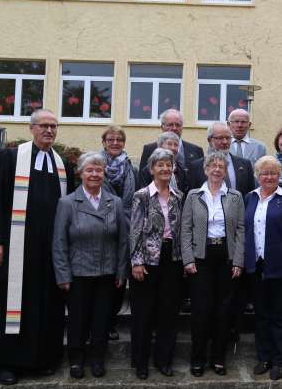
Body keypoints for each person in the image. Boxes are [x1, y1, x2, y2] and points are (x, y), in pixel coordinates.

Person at [0, 109, 74, 385]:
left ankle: (42, 358)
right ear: (31, 128)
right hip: (13, 249)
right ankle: (6, 362)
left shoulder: (63, 166)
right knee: (9, 306)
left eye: (53, 126)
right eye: (44, 126)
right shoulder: (11, 158)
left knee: (45, 305)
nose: (49, 130)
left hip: (47, 254)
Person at [52, 152, 128, 379]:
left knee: (102, 319)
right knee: (77, 319)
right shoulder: (67, 203)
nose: (95, 174)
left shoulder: (115, 202)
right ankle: (76, 359)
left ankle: (97, 358)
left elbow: (123, 240)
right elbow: (59, 241)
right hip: (78, 273)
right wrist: (63, 274)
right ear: (81, 173)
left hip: (107, 273)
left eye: (99, 170)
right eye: (90, 170)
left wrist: (121, 270)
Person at [181, 152, 245, 377]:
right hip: (201, 257)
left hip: (225, 256)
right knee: (201, 309)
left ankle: (218, 358)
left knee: (223, 310)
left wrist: (238, 260)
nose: (217, 169)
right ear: (205, 169)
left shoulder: (235, 196)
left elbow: (240, 230)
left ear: (225, 170)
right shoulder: (193, 195)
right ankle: (198, 358)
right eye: (213, 166)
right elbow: (185, 229)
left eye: (221, 166)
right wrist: (187, 259)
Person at [243, 156, 282, 381]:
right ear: (258, 176)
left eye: (273, 173)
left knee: (281, 316)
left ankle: (280, 360)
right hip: (256, 267)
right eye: (265, 173)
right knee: (261, 315)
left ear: (280, 176)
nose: (269, 177)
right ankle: (264, 357)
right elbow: (244, 231)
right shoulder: (249, 198)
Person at [129, 148, 184, 380]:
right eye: (160, 165)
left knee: (168, 312)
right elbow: (134, 231)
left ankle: (164, 360)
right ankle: (140, 362)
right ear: (151, 169)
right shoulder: (141, 195)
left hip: (172, 259)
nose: (165, 169)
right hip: (147, 260)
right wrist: (136, 261)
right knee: (143, 313)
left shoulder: (178, 195)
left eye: (168, 165)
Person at [100, 125, 136, 341]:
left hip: (127, 226)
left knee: (120, 277)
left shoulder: (131, 167)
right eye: (111, 140)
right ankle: (104, 323)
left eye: (119, 140)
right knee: (105, 277)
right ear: (104, 142)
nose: (115, 143)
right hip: (103, 227)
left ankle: (112, 319)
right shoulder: (96, 164)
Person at [187, 122, 255, 197]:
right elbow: (193, 197)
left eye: (228, 138)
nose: (225, 142)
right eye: (220, 138)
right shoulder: (196, 166)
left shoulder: (245, 165)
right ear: (210, 140)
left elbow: (250, 195)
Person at [138, 109, 203, 172]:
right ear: (162, 127)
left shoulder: (196, 151)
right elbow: (142, 179)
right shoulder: (149, 150)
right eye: (170, 125)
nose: (174, 128)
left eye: (178, 125)